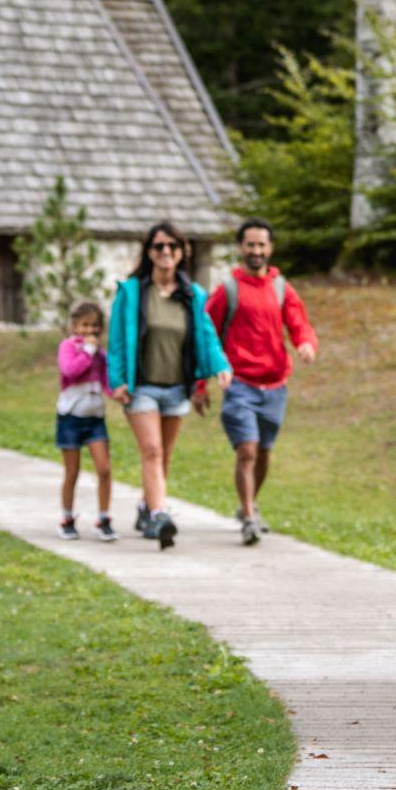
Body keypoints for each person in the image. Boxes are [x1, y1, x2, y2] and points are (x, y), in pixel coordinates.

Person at [105, 222, 232, 549]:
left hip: (177, 387)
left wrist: (220, 366)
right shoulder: (131, 292)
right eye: (159, 246)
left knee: (164, 456)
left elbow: (206, 334)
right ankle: (161, 515)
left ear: (181, 252)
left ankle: (146, 507)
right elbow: (117, 340)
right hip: (141, 387)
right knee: (152, 450)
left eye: (172, 247)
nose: (165, 252)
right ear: (149, 252)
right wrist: (116, 381)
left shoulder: (191, 294)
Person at [204, 218, 317, 545]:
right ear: (242, 248)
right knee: (248, 451)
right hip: (239, 383)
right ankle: (250, 516)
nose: (256, 251)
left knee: (264, 452)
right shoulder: (228, 290)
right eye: (250, 245)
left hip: (275, 385)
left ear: (270, 248)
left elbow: (299, 323)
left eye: (261, 245)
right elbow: (206, 334)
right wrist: (202, 381)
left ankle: (248, 504)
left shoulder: (281, 288)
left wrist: (306, 343)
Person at [54, 300, 115, 541]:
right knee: (72, 472)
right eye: (85, 325)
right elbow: (70, 371)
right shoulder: (68, 347)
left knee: (104, 469)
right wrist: (87, 351)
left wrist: (118, 393)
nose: (90, 331)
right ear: (74, 326)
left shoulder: (100, 354)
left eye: (95, 326)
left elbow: (105, 381)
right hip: (70, 417)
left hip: (94, 418)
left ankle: (103, 517)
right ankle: (67, 517)